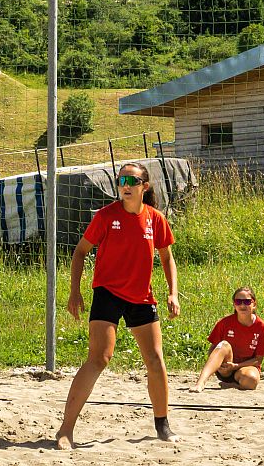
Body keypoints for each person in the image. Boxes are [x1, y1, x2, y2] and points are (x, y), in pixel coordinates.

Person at [56, 163, 181, 448]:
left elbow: (167, 258)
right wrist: (74, 292)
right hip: (107, 292)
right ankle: (65, 430)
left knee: (155, 360)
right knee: (100, 357)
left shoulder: (155, 219)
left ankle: (162, 424)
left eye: (132, 180)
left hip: (141, 296)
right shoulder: (105, 216)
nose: (125, 184)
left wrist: (173, 293)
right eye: (121, 179)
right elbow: (79, 253)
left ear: (144, 186)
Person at [194, 287, 264, 391]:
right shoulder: (225, 323)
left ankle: (232, 385)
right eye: (238, 301)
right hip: (225, 368)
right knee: (224, 345)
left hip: (246, 367)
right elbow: (213, 349)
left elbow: (258, 360)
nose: (242, 305)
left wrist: (236, 366)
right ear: (234, 305)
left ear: (254, 304)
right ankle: (200, 383)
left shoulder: (262, 327)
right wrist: (219, 366)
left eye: (247, 301)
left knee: (251, 380)